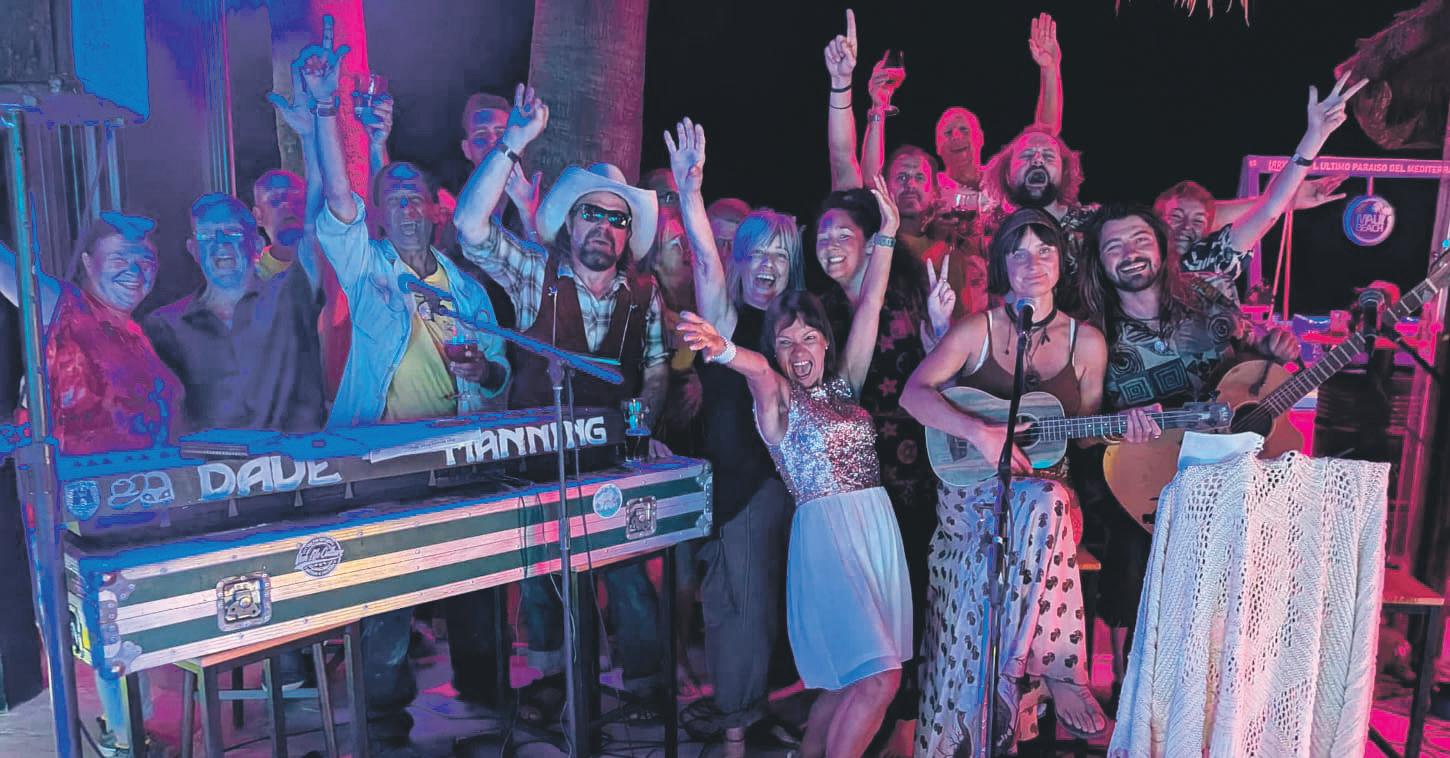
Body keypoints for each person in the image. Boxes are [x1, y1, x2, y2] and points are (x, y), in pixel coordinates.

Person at [293, 33, 511, 754]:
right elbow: (339, 198)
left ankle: (484, 700)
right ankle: (384, 725)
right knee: (385, 594)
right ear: (382, 215)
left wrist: (485, 374)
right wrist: (327, 111)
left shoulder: (468, 289)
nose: (409, 209)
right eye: (395, 200)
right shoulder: (369, 268)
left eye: (417, 199)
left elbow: (501, 371)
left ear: (436, 211)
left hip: (457, 456)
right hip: (380, 461)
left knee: (478, 579)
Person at [454, 84, 672, 718]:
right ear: (570, 221)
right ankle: (552, 686)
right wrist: (512, 142)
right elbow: (470, 228)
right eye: (591, 213)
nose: (603, 226)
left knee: (628, 574)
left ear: (628, 234)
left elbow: (656, 370)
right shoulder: (534, 271)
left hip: (612, 461)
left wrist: (641, 424)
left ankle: (644, 690)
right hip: (538, 456)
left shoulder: (646, 294)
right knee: (545, 577)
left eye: (616, 219)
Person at [675, 175, 912, 758]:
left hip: (875, 531)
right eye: (786, 343)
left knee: (851, 680)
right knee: (880, 678)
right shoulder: (777, 397)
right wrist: (723, 348)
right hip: (828, 537)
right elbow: (755, 369)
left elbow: (871, 306)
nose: (799, 351)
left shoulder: (844, 385)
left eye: (809, 338)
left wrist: (887, 234)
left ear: (825, 342)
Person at [901, 209, 1118, 755]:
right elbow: (914, 394)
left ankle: (1010, 672)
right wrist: (980, 433)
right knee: (1045, 504)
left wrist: (1127, 430)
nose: (1032, 262)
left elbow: (1083, 437)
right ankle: (1062, 671)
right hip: (972, 498)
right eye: (1018, 251)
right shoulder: (977, 330)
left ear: (1061, 261)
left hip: (1052, 506)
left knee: (1046, 500)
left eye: (1044, 249)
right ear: (1002, 263)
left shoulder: (1087, 343)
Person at [1076, 203, 1304, 708]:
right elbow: (1083, 433)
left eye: (1139, 239)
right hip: (1137, 475)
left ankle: (1234, 686)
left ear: (1161, 247)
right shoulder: (1092, 332)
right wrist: (1119, 428)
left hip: (1220, 469)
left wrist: (1276, 350)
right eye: (1114, 246)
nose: (1130, 253)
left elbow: (1252, 367)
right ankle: (1131, 685)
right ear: (1100, 261)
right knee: (1132, 540)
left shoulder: (1206, 300)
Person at [0, 213, 182, 758]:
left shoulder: (135, 331)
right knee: (104, 630)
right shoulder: (62, 307)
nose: (135, 270)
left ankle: (127, 732)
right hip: (77, 514)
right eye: (119, 258)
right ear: (86, 264)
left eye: (145, 259)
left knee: (126, 631)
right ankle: (123, 742)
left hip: (135, 511)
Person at [666, 118, 805, 754]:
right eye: (757, 253)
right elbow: (701, 256)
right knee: (738, 611)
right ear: (739, 260)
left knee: (776, 609)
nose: (767, 266)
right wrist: (690, 191)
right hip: (740, 488)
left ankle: (763, 714)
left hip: (795, 487)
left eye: (780, 255)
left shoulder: (798, 323)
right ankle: (734, 736)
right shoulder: (724, 315)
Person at [143, 193, 326, 435]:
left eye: (232, 232)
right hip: (211, 459)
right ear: (193, 249)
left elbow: (318, 230)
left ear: (257, 245)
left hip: (299, 457)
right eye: (206, 235)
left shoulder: (292, 296)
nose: (221, 243)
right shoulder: (164, 326)